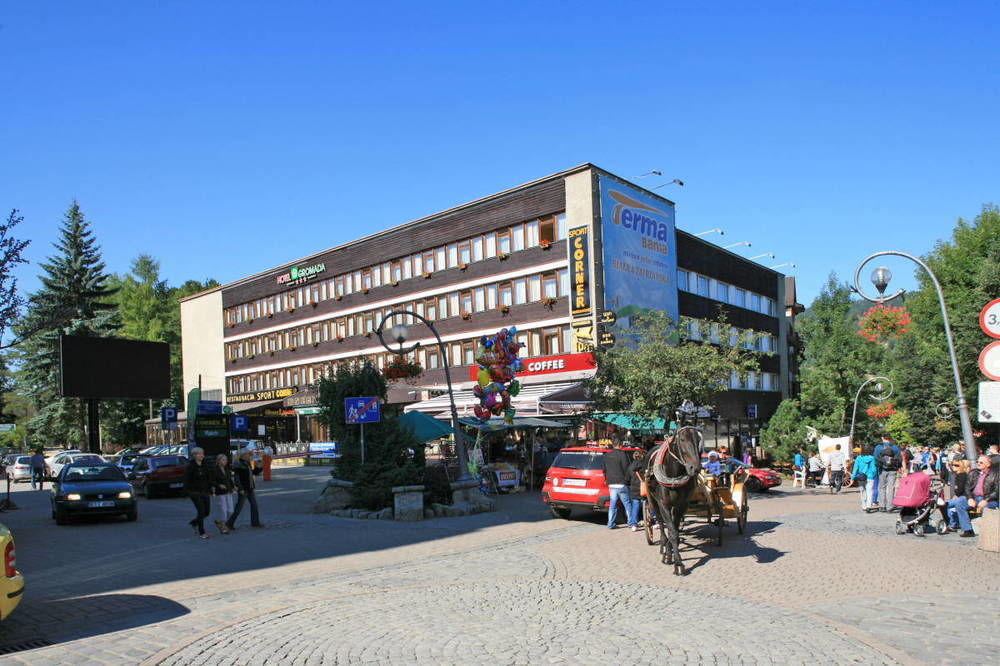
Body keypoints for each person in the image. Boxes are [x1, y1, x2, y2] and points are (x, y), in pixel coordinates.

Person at [948, 456, 999, 537]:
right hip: (974, 497)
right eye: (977, 462)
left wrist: (986, 500)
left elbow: (996, 491)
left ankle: (989, 531)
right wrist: (970, 498)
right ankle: (967, 530)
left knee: (988, 508)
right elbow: (967, 487)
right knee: (959, 503)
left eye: (981, 462)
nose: (978, 464)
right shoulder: (973, 472)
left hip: (989, 499)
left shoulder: (995, 474)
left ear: (988, 464)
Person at [227, 448, 263, 530]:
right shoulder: (238, 464)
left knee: (254, 505)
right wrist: (240, 488)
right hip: (244, 489)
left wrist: (259, 467)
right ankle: (229, 523)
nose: (249, 456)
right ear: (243, 455)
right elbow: (237, 478)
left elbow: (253, 473)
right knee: (239, 508)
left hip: (250, 488)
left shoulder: (247, 463)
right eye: (248, 454)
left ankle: (255, 523)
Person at [601, 440, 633, 530]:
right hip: (621, 483)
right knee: (627, 504)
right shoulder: (623, 454)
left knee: (613, 505)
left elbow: (604, 469)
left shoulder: (606, 455)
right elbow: (627, 468)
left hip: (611, 483)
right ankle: (631, 522)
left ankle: (610, 523)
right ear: (619, 445)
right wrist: (627, 481)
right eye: (622, 445)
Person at [184, 447, 213, 539]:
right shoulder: (191, 467)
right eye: (200, 454)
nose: (202, 456)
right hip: (195, 492)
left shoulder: (205, 465)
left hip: (205, 491)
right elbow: (187, 480)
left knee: (207, 512)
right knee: (201, 511)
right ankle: (202, 532)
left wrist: (211, 490)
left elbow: (209, 478)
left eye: (202, 454)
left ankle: (194, 522)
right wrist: (189, 491)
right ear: (195, 455)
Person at [874, 435, 901, 512]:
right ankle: (889, 506)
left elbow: (875, 458)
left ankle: (882, 506)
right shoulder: (895, 447)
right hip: (893, 470)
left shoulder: (878, 447)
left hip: (882, 469)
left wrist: (879, 466)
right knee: (891, 487)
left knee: (881, 487)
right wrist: (898, 467)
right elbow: (899, 459)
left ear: (882, 438)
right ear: (890, 438)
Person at [941, 459, 970, 532]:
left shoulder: (962, 475)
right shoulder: (956, 474)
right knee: (947, 505)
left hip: (962, 497)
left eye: (956, 465)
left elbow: (960, 489)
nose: (953, 466)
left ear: (961, 466)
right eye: (952, 465)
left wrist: (956, 495)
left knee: (944, 505)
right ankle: (953, 523)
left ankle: (951, 524)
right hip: (955, 493)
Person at [210, 454, 235, 535]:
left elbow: (229, 479)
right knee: (223, 510)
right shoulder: (214, 470)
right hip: (220, 492)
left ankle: (221, 522)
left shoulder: (226, 468)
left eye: (226, 459)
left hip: (228, 491)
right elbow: (212, 481)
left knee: (231, 510)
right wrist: (219, 485)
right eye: (223, 460)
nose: (225, 461)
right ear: (218, 461)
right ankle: (223, 527)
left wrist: (234, 486)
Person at [852, 445, 877, 512]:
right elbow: (874, 469)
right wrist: (873, 475)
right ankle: (869, 505)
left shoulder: (858, 458)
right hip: (870, 477)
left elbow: (855, 468)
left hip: (861, 477)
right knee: (869, 491)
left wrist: (853, 477)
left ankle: (864, 505)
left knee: (862, 491)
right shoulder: (872, 458)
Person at [626, 450, 646, 532]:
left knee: (635, 506)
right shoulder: (645, 466)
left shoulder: (630, 467)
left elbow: (627, 479)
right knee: (650, 504)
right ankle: (653, 521)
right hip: (644, 488)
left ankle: (634, 524)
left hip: (634, 489)